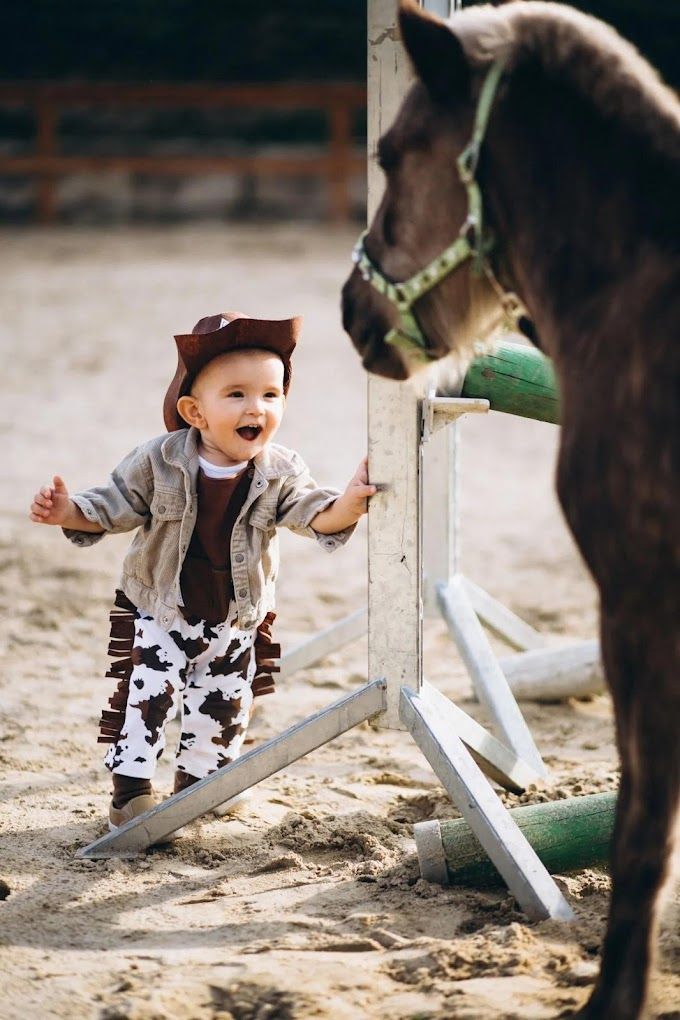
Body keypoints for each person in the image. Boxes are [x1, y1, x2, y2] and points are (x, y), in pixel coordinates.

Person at [29, 312, 375, 834]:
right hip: (160, 610)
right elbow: (115, 504)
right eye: (235, 394)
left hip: (236, 617)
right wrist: (68, 511)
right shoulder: (158, 460)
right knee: (146, 699)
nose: (255, 407)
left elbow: (313, 513)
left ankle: (198, 789)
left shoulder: (282, 470)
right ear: (195, 411)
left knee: (224, 706)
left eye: (270, 395)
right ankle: (131, 796)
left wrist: (349, 502)